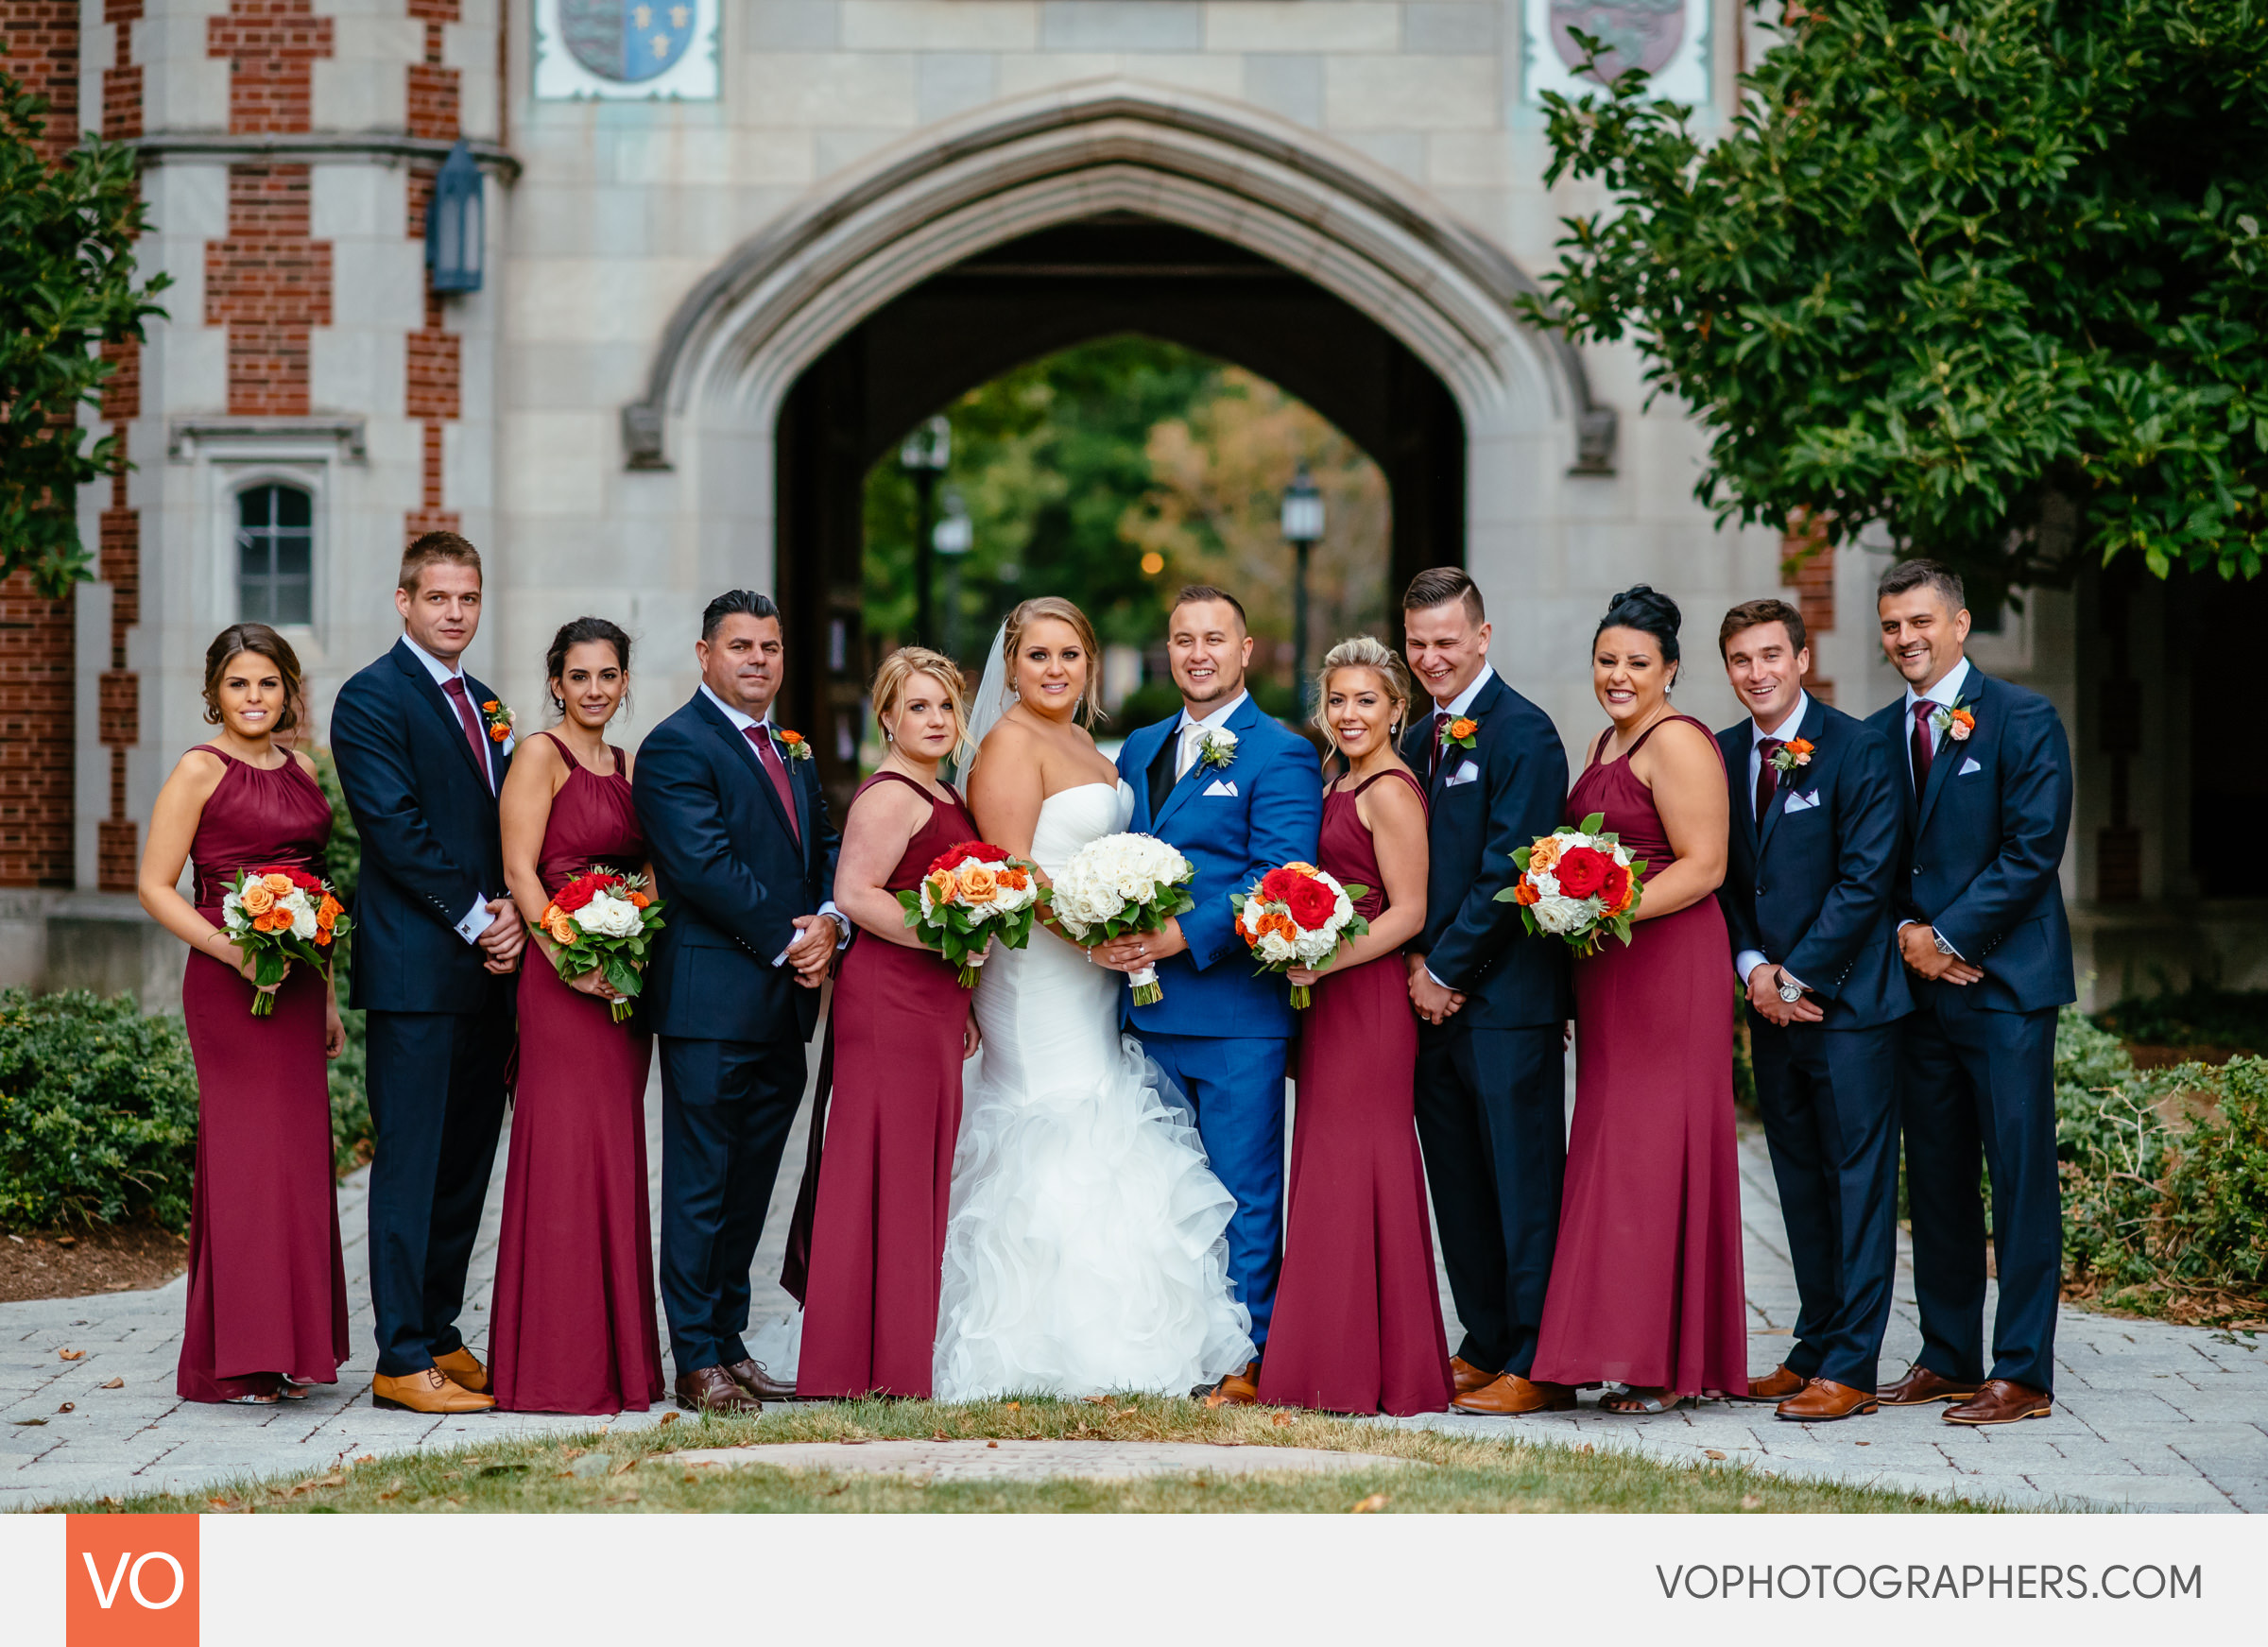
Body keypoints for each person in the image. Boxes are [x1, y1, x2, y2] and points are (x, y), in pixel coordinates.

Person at [933, 597, 1254, 1399]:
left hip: (1094, 970)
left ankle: (1128, 1328)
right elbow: (1013, 874)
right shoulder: (1008, 744)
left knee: (1102, 1113)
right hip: (1040, 972)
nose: (1055, 670)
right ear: (1010, 667)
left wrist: (1120, 924)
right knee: (1057, 1120)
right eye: (1038, 655)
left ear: (1090, 664)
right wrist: (1092, 937)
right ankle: (1038, 1340)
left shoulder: (1082, 738)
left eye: (1069, 655)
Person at [1101, 585, 1324, 1403]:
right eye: (1183, 638)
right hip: (1145, 1015)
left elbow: (1277, 878)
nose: (1198, 653)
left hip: (1235, 1016)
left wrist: (1177, 937)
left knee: (1242, 1193)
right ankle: (1176, 1349)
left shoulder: (1281, 752)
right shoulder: (1141, 746)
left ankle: (1248, 1353)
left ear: (1246, 650)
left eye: (1214, 639)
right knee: (1163, 1197)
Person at [1865, 560, 2073, 1427]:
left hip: (2004, 988)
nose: (1905, 638)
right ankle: (1950, 1354)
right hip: (1919, 996)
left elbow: (2032, 851)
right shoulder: (1877, 735)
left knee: (2019, 1178)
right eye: (1890, 625)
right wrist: (1906, 943)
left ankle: (2021, 1370)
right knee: (1940, 1179)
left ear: (1960, 623)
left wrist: (1940, 936)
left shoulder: (2025, 719)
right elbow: (1867, 860)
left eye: (1920, 621)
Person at [1532, 585, 1746, 1413]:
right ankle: (1616, 1343)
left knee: (1655, 1153)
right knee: (1616, 1153)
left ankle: (1664, 1362)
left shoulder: (1679, 742)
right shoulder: (1603, 740)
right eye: (1606, 660)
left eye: (1636, 663)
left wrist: (1603, 908)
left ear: (1671, 670)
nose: (1618, 675)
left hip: (1668, 967)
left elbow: (1704, 865)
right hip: (1611, 969)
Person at [632, 589, 844, 1415]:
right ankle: (694, 1358)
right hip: (712, 1002)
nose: (758, 659)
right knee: (700, 1184)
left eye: (770, 647)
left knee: (750, 1181)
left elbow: (824, 844)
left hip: (783, 1008)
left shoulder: (792, 749)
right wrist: (798, 939)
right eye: (741, 646)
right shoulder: (676, 747)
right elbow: (702, 864)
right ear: (704, 653)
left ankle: (730, 1339)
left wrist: (832, 919)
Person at [331, 531, 524, 1415]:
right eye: (440, 597)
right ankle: (400, 1354)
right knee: (410, 1164)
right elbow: (395, 826)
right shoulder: (370, 698)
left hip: (491, 970)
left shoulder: (486, 704)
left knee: (465, 1162)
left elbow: (505, 825)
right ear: (404, 600)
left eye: (469, 598)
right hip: (417, 968)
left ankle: (441, 1331)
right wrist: (483, 916)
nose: (456, 613)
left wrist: (522, 909)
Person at [137, 626, 351, 1405]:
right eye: (239, 685)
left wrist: (324, 992)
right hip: (230, 985)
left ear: (289, 691)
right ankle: (233, 1360)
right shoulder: (199, 769)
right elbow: (156, 885)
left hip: (295, 986)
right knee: (246, 1163)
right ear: (214, 694)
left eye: (268, 684)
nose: (255, 698)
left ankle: (288, 1346)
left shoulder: (301, 767)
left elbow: (316, 885)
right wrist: (234, 950)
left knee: (294, 1162)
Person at [1714, 599, 1911, 1422]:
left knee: (1857, 1183)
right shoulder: (1721, 755)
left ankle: (1854, 1366)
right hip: (1770, 1006)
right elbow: (1726, 878)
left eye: (1770, 655)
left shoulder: (1859, 747)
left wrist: (1797, 980)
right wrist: (1755, 968)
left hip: (1851, 1009)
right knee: (1797, 1180)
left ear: (1801, 658)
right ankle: (1815, 1341)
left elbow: (1866, 881)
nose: (1757, 672)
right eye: (1740, 659)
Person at [1256, 639, 1453, 1417]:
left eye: (1366, 700)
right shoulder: (1340, 776)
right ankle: (1326, 1358)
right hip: (1329, 991)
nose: (1349, 713)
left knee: (1361, 1164)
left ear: (1397, 707)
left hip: (1366, 995)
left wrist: (1323, 959)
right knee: (1329, 1167)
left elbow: (1409, 911)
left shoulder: (1392, 790)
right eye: (1337, 700)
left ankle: (1373, 1370)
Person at [1393, 568, 1572, 1416]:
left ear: (1483, 636)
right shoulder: (1416, 736)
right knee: (1459, 1179)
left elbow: (1513, 866)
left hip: (1505, 1002)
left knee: (1523, 1178)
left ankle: (1541, 1356)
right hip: (1428, 1003)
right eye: (1417, 643)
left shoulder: (1524, 732)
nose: (1431, 657)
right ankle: (1487, 1337)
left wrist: (1444, 969)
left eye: (1446, 641)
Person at [487, 617, 665, 1415]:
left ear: (626, 682)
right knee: (561, 1153)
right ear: (556, 682)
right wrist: (565, 957)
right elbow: (520, 870)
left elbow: (651, 868)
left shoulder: (632, 764)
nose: (595, 689)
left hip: (623, 979)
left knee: (614, 1152)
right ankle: (554, 1365)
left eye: (609, 676)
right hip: (562, 980)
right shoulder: (538, 754)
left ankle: (619, 1363)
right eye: (580, 676)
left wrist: (634, 930)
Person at [797, 648, 983, 1399]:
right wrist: (948, 938)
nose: (935, 720)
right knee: (883, 1174)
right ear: (888, 718)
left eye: (945, 706)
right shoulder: (890, 794)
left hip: (934, 1001)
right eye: (918, 707)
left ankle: (896, 1352)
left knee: (914, 1174)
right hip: (890, 997)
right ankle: (859, 1364)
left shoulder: (943, 789)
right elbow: (858, 893)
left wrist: (964, 989)